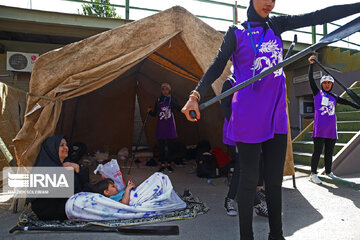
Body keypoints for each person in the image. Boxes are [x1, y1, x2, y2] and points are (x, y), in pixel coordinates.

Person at [181, 1, 360, 239]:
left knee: (274, 181)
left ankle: (277, 235)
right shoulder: (236, 32)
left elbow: (319, 15)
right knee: (249, 180)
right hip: (248, 115)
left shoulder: (277, 25)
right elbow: (217, 65)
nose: (270, 3)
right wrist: (195, 95)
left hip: (276, 114)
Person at [221, 70, 268, 218]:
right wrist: (238, 125)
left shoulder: (253, 79)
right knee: (242, 166)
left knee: (250, 165)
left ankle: (249, 199)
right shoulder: (230, 82)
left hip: (251, 131)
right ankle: (251, 203)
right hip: (235, 132)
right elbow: (225, 107)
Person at [308, 55, 360, 184]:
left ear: (332, 84)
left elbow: (348, 102)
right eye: (324, 83)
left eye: (329, 83)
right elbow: (310, 80)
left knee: (329, 152)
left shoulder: (335, 97)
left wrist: (358, 106)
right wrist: (311, 65)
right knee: (317, 151)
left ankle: (328, 171)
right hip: (320, 128)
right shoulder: (317, 93)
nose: (326, 85)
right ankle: (313, 173)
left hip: (331, 129)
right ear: (322, 84)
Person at [27, 135, 88, 220]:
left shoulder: (64, 165)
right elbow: (73, 191)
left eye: (66, 145)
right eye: (61, 145)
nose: (66, 147)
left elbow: (82, 183)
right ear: (52, 149)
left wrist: (76, 167)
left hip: (63, 205)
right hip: (50, 210)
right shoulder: (46, 168)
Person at [148, 83, 182, 173]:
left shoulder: (173, 99)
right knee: (161, 146)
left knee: (171, 145)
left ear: (169, 90)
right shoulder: (159, 99)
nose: (164, 90)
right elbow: (155, 113)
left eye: (166, 89)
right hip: (161, 125)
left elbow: (179, 109)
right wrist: (150, 112)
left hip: (170, 125)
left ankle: (169, 164)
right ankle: (163, 164)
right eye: (163, 89)